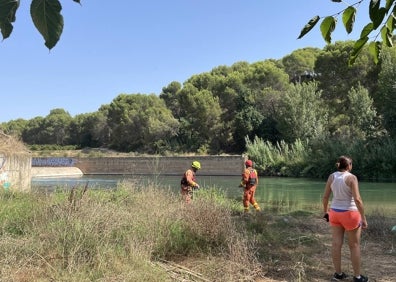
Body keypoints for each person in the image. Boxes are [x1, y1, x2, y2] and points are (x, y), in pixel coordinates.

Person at [322, 156, 368, 282]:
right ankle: (358, 277)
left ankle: (338, 274)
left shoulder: (332, 176)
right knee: (354, 245)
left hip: (335, 213)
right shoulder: (352, 178)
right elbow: (357, 200)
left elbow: (325, 197)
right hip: (350, 214)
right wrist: (363, 218)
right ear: (349, 166)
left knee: (336, 244)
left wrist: (326, 212)